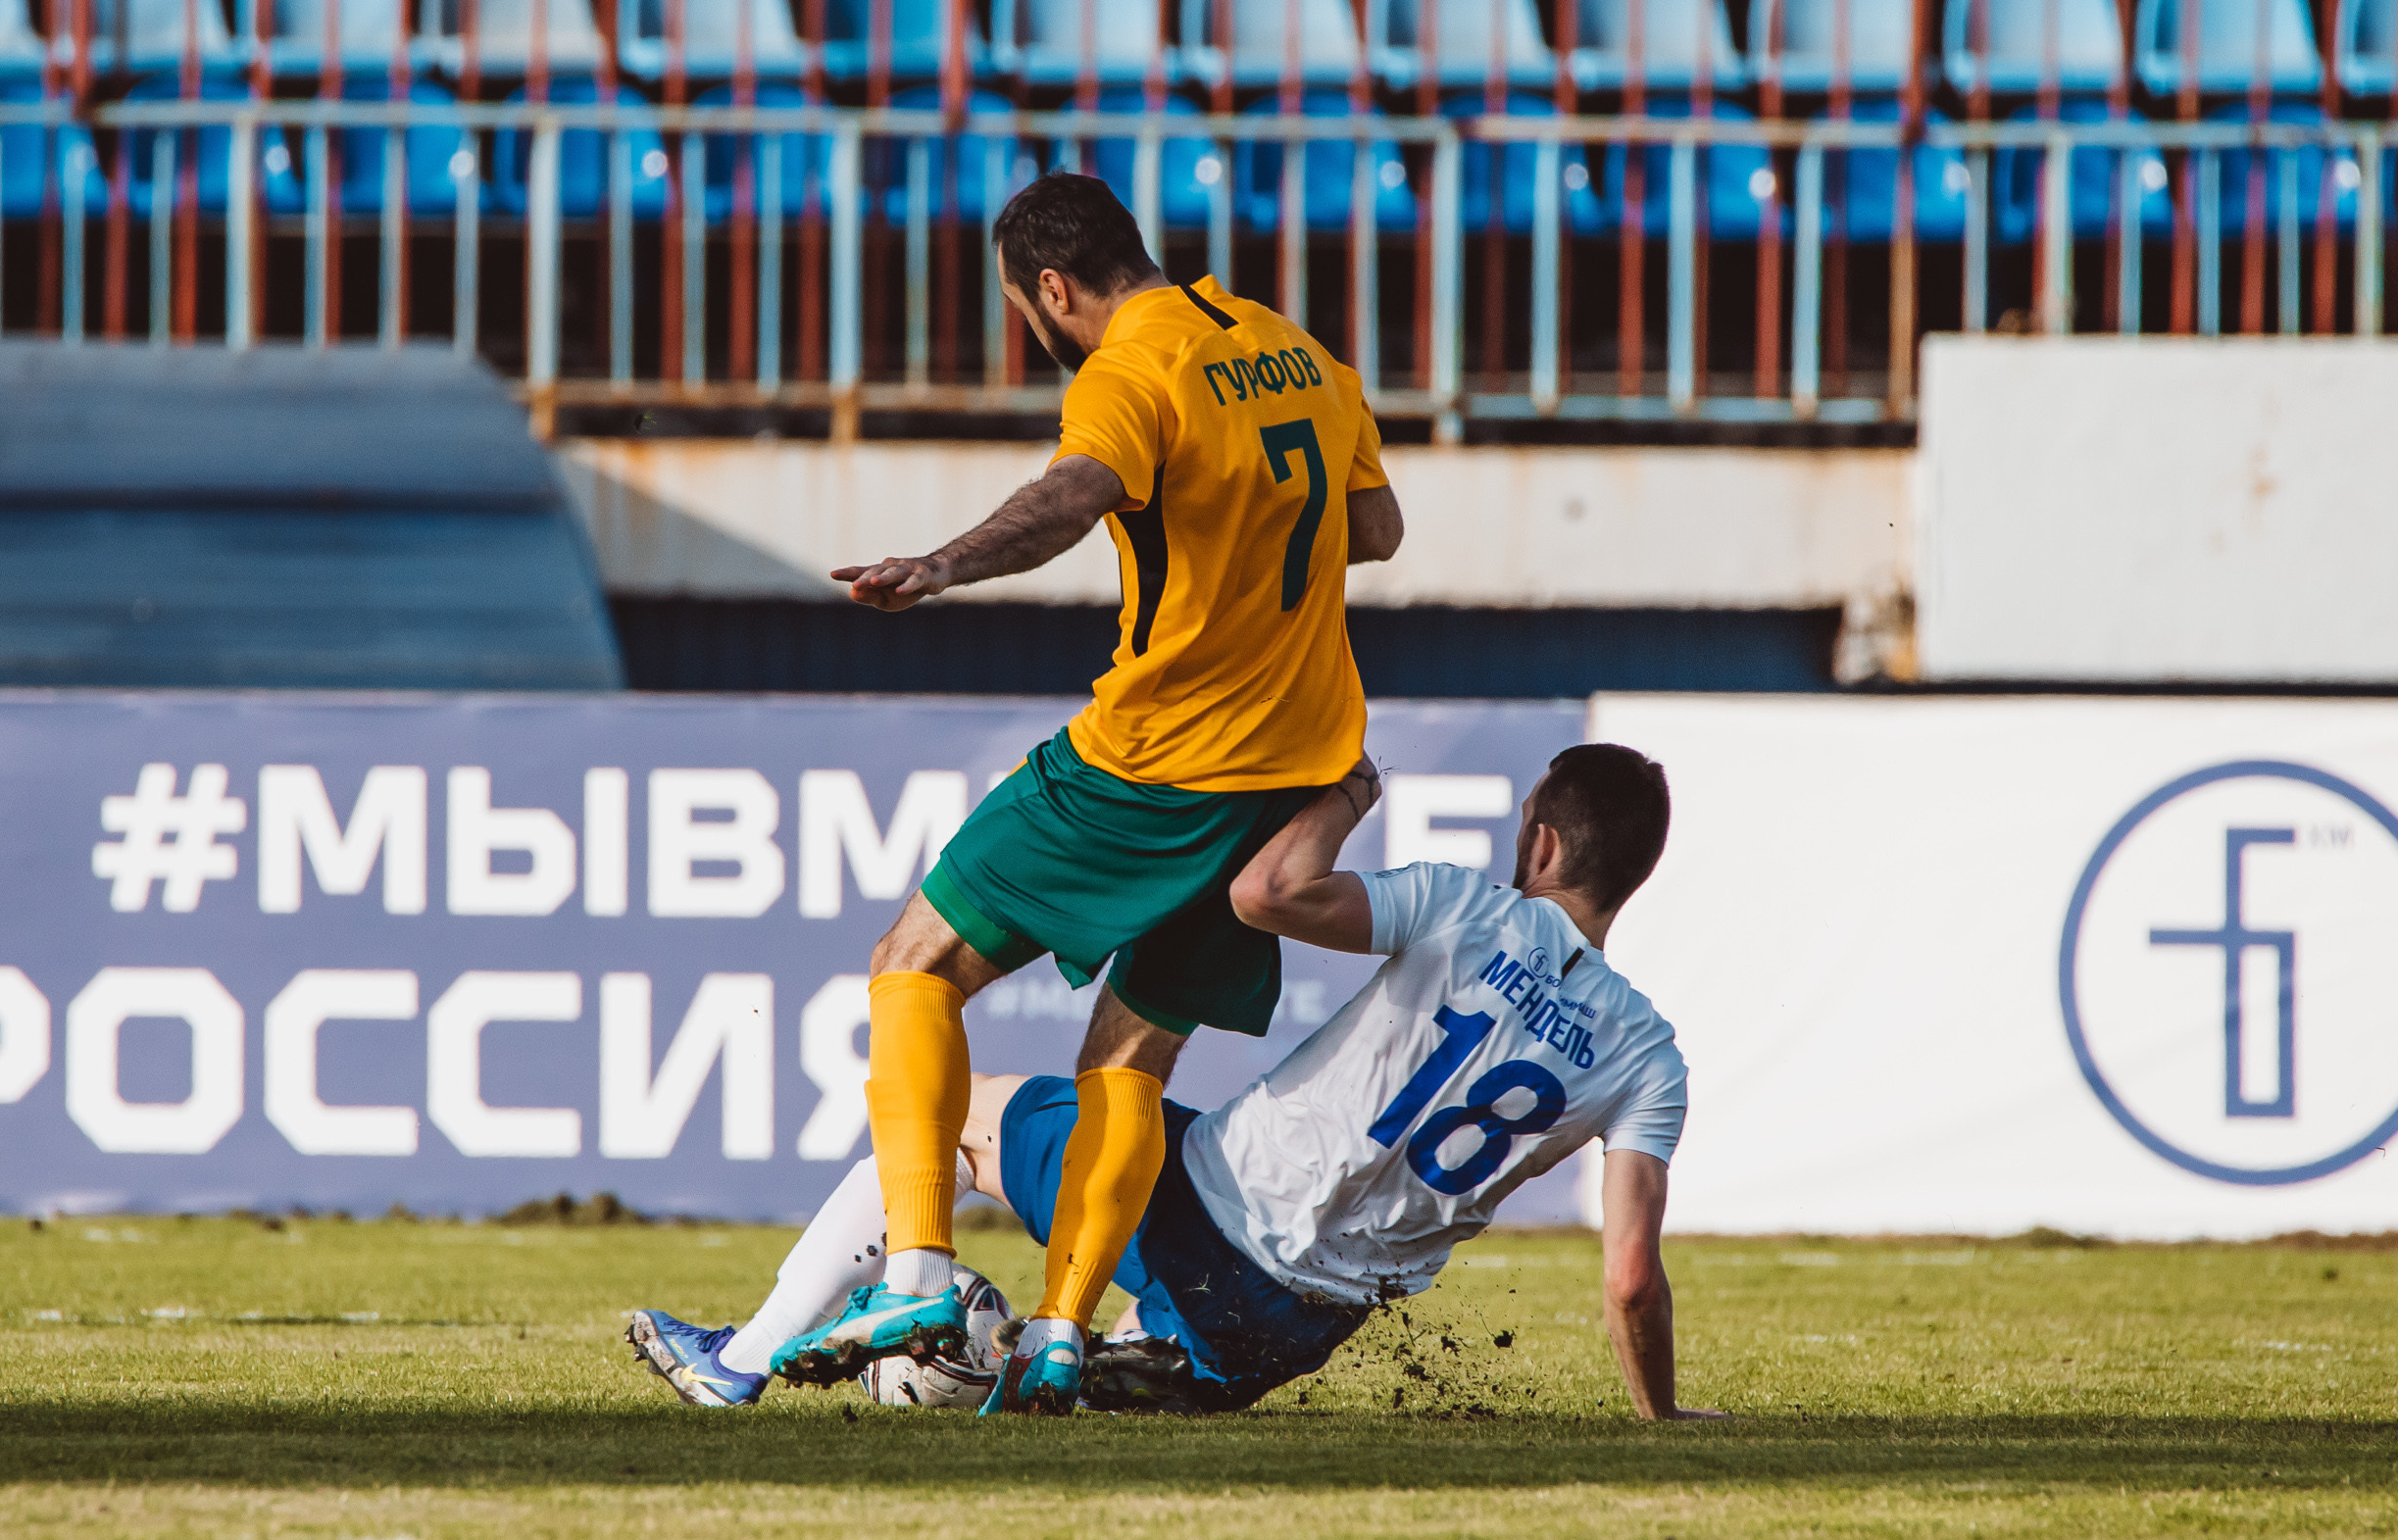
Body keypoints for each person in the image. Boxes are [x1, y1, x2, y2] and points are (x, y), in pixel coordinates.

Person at [766, 170, 1404, 1415]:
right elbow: (1374, 530)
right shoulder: (1294, 350)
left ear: (1054, 287)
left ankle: (915, 1269)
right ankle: (1057, 1332)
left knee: (913, 964)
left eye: (1027, 309)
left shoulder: (1128, 370)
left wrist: (943, 565)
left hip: (1155, 761)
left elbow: (1075, 494)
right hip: (1290, 769)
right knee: (1130, 1059)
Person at [630, 742, 1724, 1421]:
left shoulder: (1467, 908)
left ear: (1537, 839)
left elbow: (1264, 892)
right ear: (1634, 874)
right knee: (1089, 1368)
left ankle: (750, 1355)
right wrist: (1659, 1415)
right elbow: (1630, 1278)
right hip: (1298, 1335)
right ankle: (1042, 1356)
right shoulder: (1648, 1055)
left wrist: (1347, 795)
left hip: (1205, 1216)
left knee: (948, 1114)